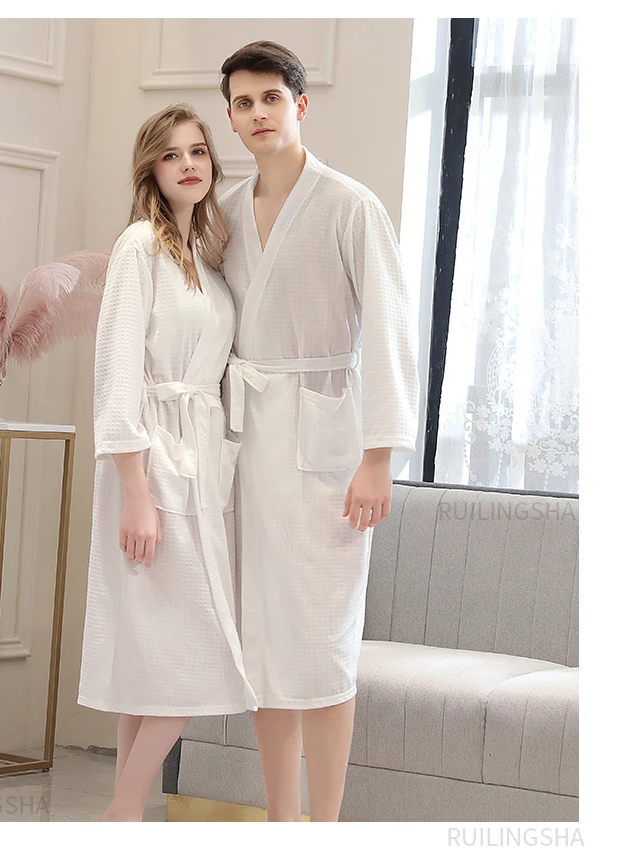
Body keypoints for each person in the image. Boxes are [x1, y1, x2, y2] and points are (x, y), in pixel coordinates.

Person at [217, 41, 420, 821]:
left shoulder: (350, 206)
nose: (258, 113)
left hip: (328, 454)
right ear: (230, 118)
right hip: (249, 450)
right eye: (243, 102)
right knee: (266, 646)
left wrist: (378, 458)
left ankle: (325, 824)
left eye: (271, 98)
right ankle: (281, 822)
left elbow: (390, 333)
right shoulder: (225, 210)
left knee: (325, 646)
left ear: (300, 105)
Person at [77, 103, 258, 822]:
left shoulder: (207, 262)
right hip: (150, 466)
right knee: (190, 656)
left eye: (199, 151)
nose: (189, 164)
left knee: (153, 663)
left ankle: (125, 817)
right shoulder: (139, 249)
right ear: (150, 168)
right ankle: (122, 813)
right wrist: (135, 491)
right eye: (172, 154)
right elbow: (117, 372)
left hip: (201, 461)